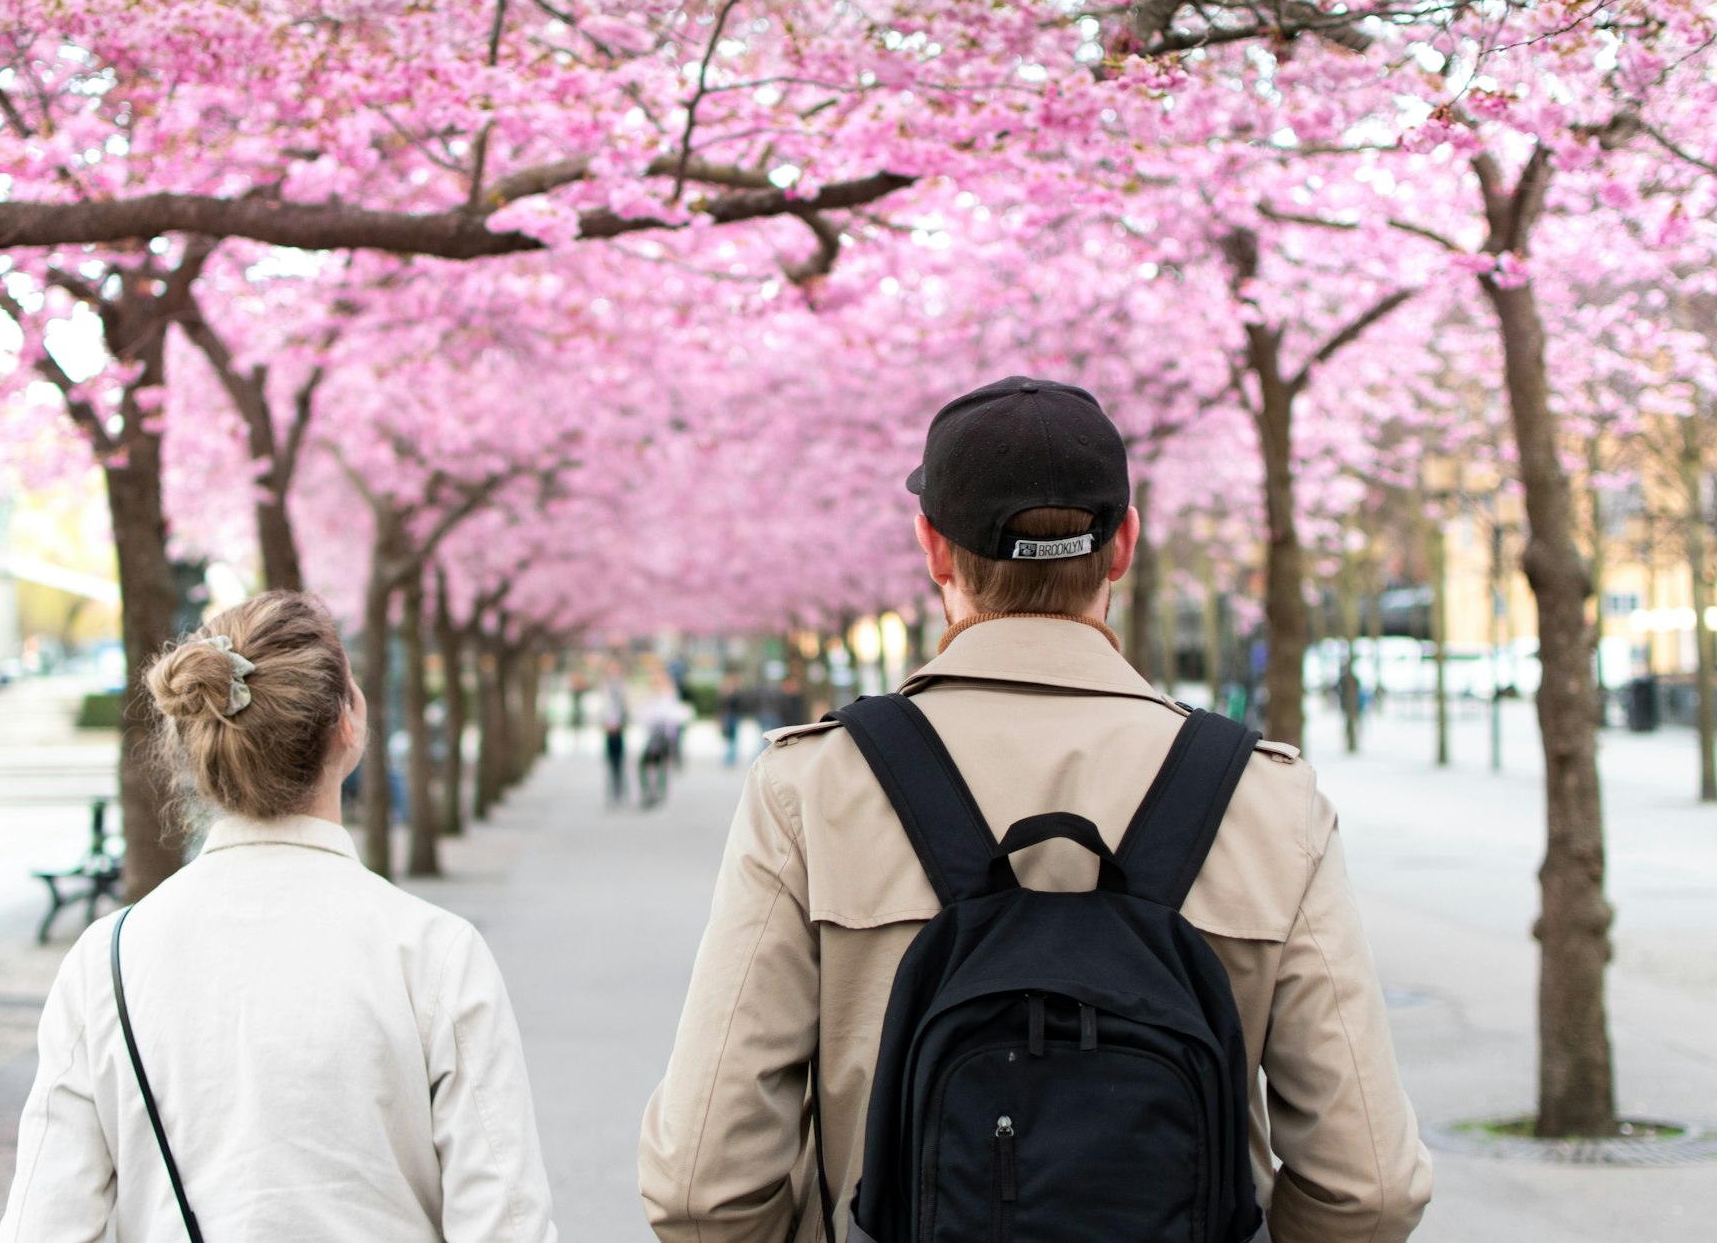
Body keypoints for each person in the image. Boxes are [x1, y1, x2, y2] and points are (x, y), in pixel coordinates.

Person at [640, 377, 1430, 1243]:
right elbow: (1372, 1189)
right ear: (1123, 545)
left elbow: (700, 1189)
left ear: (934, 551)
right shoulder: (1264, 797)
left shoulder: (814, 787)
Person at [0, 590, 556, 1243]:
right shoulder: (434, 953)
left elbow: (46, 1224)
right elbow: (506, 1226)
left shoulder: (107, 960)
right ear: (349, 722)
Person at [637, 667, 689, 809]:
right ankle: (655, 792)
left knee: (656, 764)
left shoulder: (666, 695)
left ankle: (656, 793)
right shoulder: (655, 695)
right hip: (657, 734)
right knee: (653, 764)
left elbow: (670, 715)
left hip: (663, 735)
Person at [600, 662, 629, 805]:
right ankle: (611, 793)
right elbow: (602, 708)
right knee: (610, 761)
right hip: (609, 728)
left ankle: (621, 792)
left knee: (620, 761)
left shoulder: (622, 687)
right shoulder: (604, 688)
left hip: (619, 728)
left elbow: (626, 707)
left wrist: (622, 724)